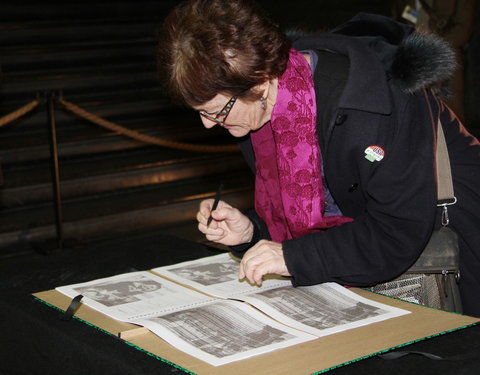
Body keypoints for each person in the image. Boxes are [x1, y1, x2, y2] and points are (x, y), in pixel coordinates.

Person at [157, 0, 480, 317]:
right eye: (199, 113)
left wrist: (293, 257)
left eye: (215, 111)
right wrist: (252, 231)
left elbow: (396, 232)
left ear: (260, 80)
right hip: (363, 262)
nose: (208, 124)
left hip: (455, 245)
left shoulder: (373, 106)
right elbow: (318, 208)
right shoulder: (261, 111)